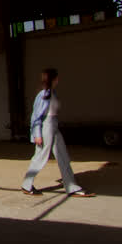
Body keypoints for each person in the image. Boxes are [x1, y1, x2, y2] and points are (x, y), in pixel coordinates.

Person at [22, 68, 96, 197]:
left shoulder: (52, 93)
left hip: (53, 125)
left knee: (63, 157)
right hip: (46, 127)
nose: (58, 80)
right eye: (57, 78)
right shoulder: (44, 94)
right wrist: (37, 134)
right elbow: (36, 116)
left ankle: (72, 187)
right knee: (40, 157)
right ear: (54, 79)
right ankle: (27, 185)